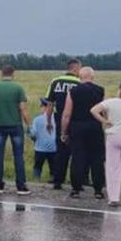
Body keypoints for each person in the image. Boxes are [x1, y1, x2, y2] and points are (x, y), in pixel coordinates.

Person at [0, 65, 31, 195]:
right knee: (18, 156)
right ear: (13, 74)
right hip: (15, 125)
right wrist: (29, 124)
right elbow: (23, 109)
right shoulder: (18, 88)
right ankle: (20, 186)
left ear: (1, 74)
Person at [60, 66, 105, 199]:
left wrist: (64, 132)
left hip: (77, 126)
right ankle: (98, 189)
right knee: (97, 159)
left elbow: (66, 114)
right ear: (93, 77)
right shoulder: (100, 90)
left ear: (80, 77)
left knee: (77, 158)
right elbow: (104, 110)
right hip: (95, 126)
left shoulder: (73, 91)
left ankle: (76, 189)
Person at [45, 58, 81, 190]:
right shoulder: (80, 82)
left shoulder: (55, 81)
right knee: (77, 151)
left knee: (61, 151)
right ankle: (77, 182)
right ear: (76, 68)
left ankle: (58, 180)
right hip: (76, 120)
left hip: (59, 118)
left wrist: (48, 122)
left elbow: (49, 104)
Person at [27, 98, 56, 180]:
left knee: (37, 166)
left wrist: (28, 132)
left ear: (45, 107)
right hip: (54, 149)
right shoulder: (57, 119)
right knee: (53, 168)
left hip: (40, 148)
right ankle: (53, 180)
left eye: (41, 106)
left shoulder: (37, 119)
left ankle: (36, 181)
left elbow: (33, 134)